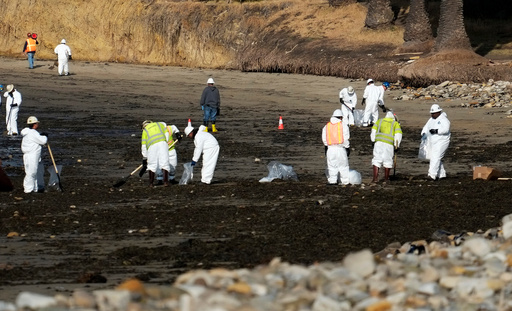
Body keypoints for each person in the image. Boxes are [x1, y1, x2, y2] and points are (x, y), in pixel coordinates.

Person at [370, 110, 402, 182]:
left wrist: (373, 140)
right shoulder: (395, 124)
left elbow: (373, 131)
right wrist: (397, 146)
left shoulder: (379, 121)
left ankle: (375, 178)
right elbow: (398, 135)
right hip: (389, 145)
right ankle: (386, 179)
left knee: (376, 160)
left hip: (378, 143)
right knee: (388, 161)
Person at [421, 104, 451, 180]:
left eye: (434, 113)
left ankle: (432, 175)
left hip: (442, 141)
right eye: (431, 113)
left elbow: (446, 129)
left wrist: (436, 131)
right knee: (434, 157)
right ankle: (441, 174)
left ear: (439, 112)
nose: (432, 114)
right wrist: (423, 133)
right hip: (432, 141)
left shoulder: (444, 120)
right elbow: (426, 127)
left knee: (435, 157)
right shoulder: (431, 120)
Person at [322, 109, 350, 185]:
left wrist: (326, 147)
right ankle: (345, 181)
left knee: (331, 166)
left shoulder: (327, 126)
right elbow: (346, 138)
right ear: (341, 117)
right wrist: (347, 147)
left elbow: (324, 139)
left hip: (330, 149)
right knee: (343, 166)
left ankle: (332, 181)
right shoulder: (343, 125)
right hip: (340, 148)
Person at [21, 116, 48, 193]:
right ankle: (28, 189)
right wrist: (45, 137)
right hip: (31, 155)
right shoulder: (32, 133)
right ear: (35, 124)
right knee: (31, 172)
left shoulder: (28, 132)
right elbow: (43, 141)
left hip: (30, 155)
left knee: (33, 172)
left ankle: (34, 188)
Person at [141, 120, 171, 187]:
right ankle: (166, 182)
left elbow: (143, 145)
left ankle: (151, 183)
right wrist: (165, 143)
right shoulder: (159, 124)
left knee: (152, 164)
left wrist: (145, 157)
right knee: (165, 162)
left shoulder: (145, 130)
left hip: (152, 146)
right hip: (163, 143)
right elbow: (166, 134)